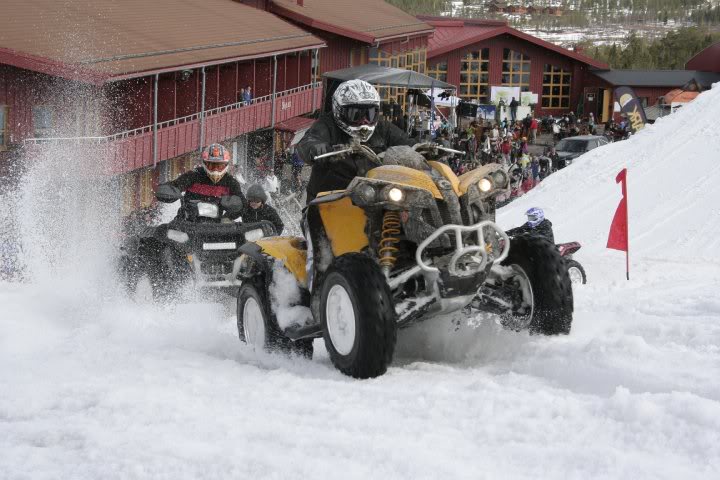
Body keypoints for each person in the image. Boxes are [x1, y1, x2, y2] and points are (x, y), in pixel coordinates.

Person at [297, 79, 414, 203]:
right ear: (339, 111)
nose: (364, 121)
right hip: (330, 197)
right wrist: (317, 148)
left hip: (375, 196)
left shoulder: (383, 128)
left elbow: (406, 142)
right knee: (318, 219)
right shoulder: (327, 125)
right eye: (356, 115)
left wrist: (422, 149)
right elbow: (309, 140)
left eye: (370, 114)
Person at [155, 143, 246, 220]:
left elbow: (242, 205)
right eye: (211, 165)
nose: (215, 169)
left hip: (217, 226)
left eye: (219, 166)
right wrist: (167, 190)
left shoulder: (230, 182)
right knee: (164, 235)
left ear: (226, 165)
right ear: (205, 164)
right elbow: (175, 185)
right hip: (187, 220)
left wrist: (227, 218)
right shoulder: (193, 176)